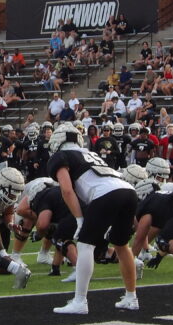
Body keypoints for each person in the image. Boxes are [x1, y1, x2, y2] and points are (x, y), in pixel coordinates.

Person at [48, 122, 139, 314]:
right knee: (121, 245)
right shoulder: (92, 154)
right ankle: (131, 298)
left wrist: (80, 220)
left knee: (84, 244)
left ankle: (80, 301)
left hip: (105, 194)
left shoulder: (60, 156)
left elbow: (66, 189)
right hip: (128, 191)